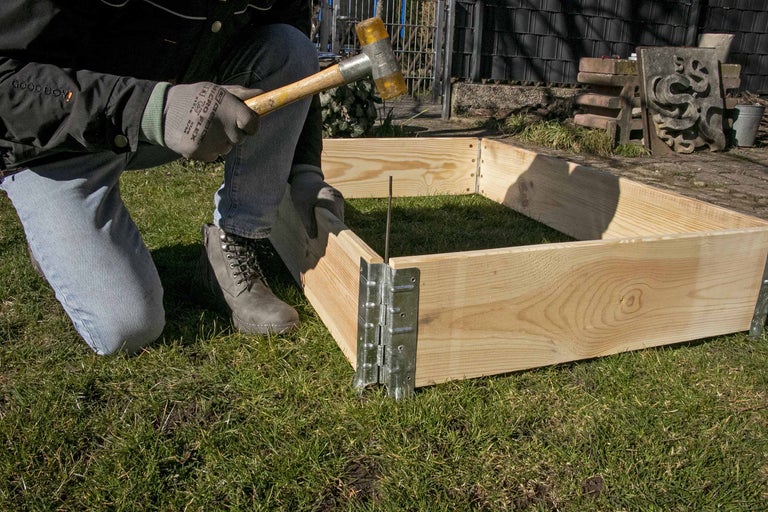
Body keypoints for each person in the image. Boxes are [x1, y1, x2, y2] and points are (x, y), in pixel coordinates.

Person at [0, 0, 344, 355]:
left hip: (174, 113)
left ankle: (232, 247)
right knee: (127, 326)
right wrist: (151, 109)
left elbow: (295, 63)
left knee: (288, 46)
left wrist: (304, 169)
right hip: (58, 143)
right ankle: (51, 238)